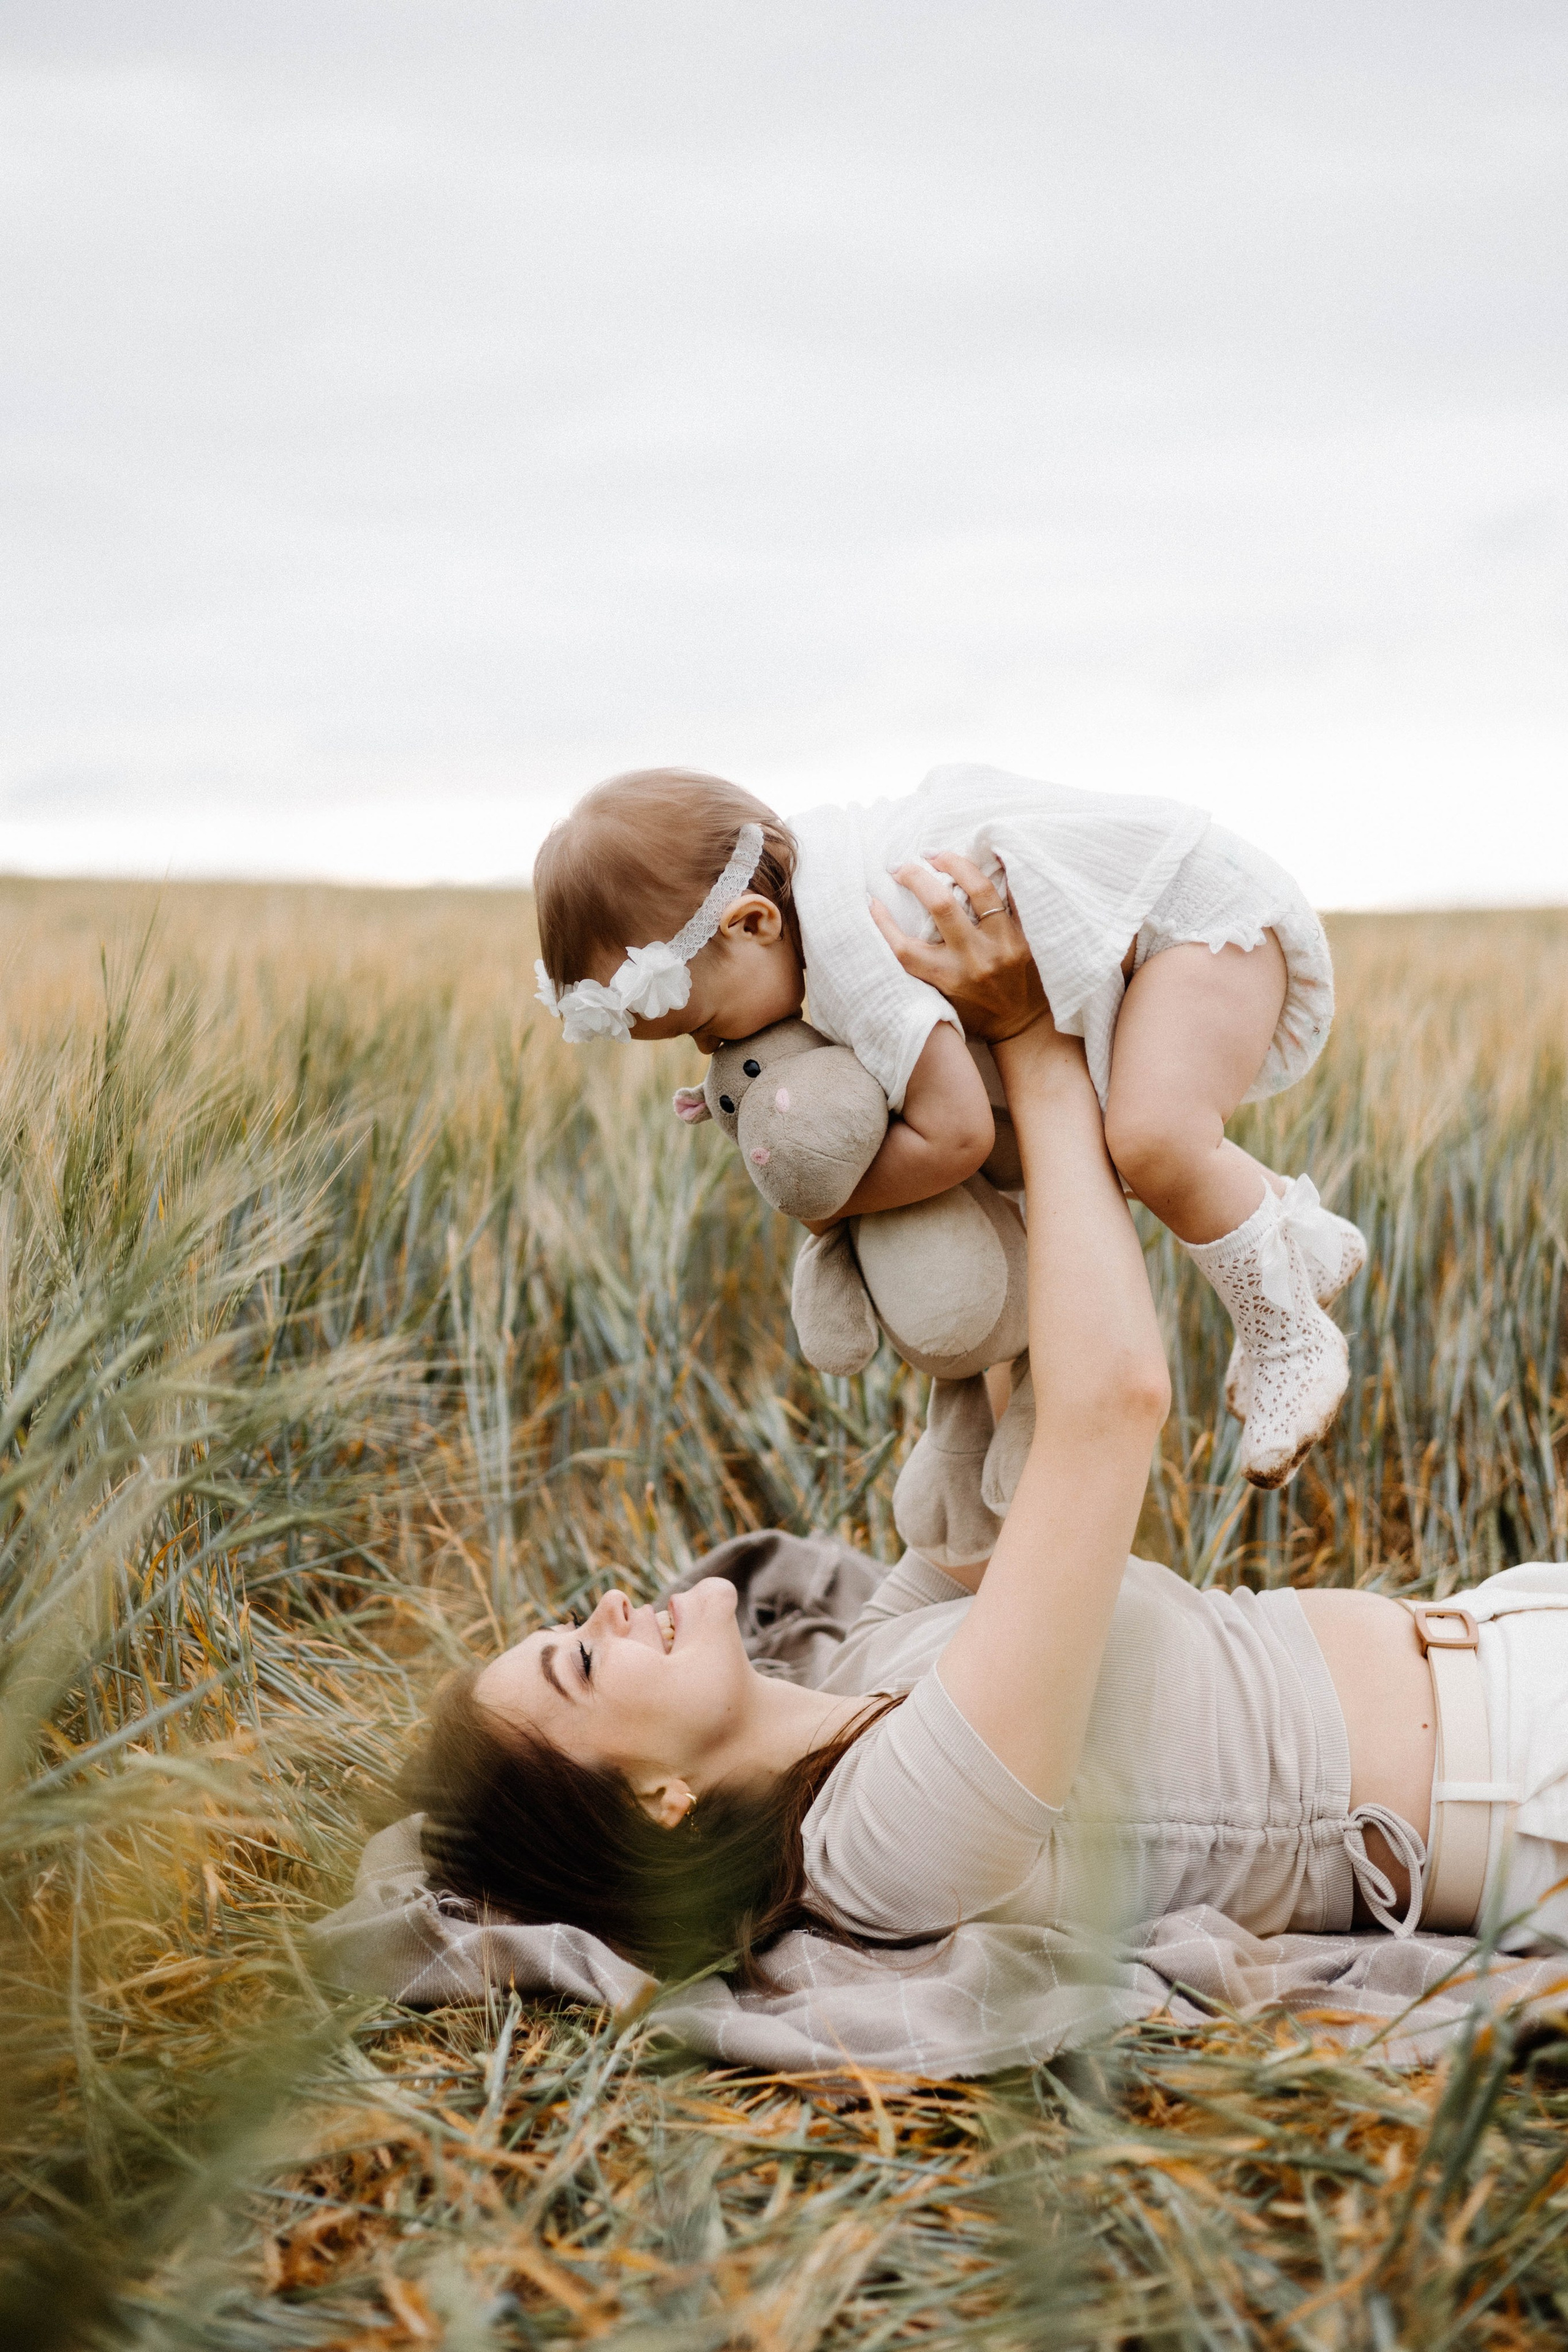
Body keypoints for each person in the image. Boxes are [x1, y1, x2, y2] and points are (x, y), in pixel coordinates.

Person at [419, 876, 1568, 1986]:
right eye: (580, 1659)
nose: (610, 1606)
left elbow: (1011, 1399)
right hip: (1524, 1778)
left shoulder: (862, 1666)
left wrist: (933, 1104)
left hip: (1514, 1629)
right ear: (657, 1799)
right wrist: (1033, 1039)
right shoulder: (885, 1845)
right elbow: (1105, 1413)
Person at [532, 765, 1364, 1490]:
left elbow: (955, 1136)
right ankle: (1301, 1239)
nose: (714, 1049)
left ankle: (1288, 1335)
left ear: (755, 923)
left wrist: (835, 1204)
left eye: (702, 1024)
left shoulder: (854, 952)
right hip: (1178, 908)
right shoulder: (821, 889)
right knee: (1110, 1142)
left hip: (1198, 920)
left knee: (1153, 1141)